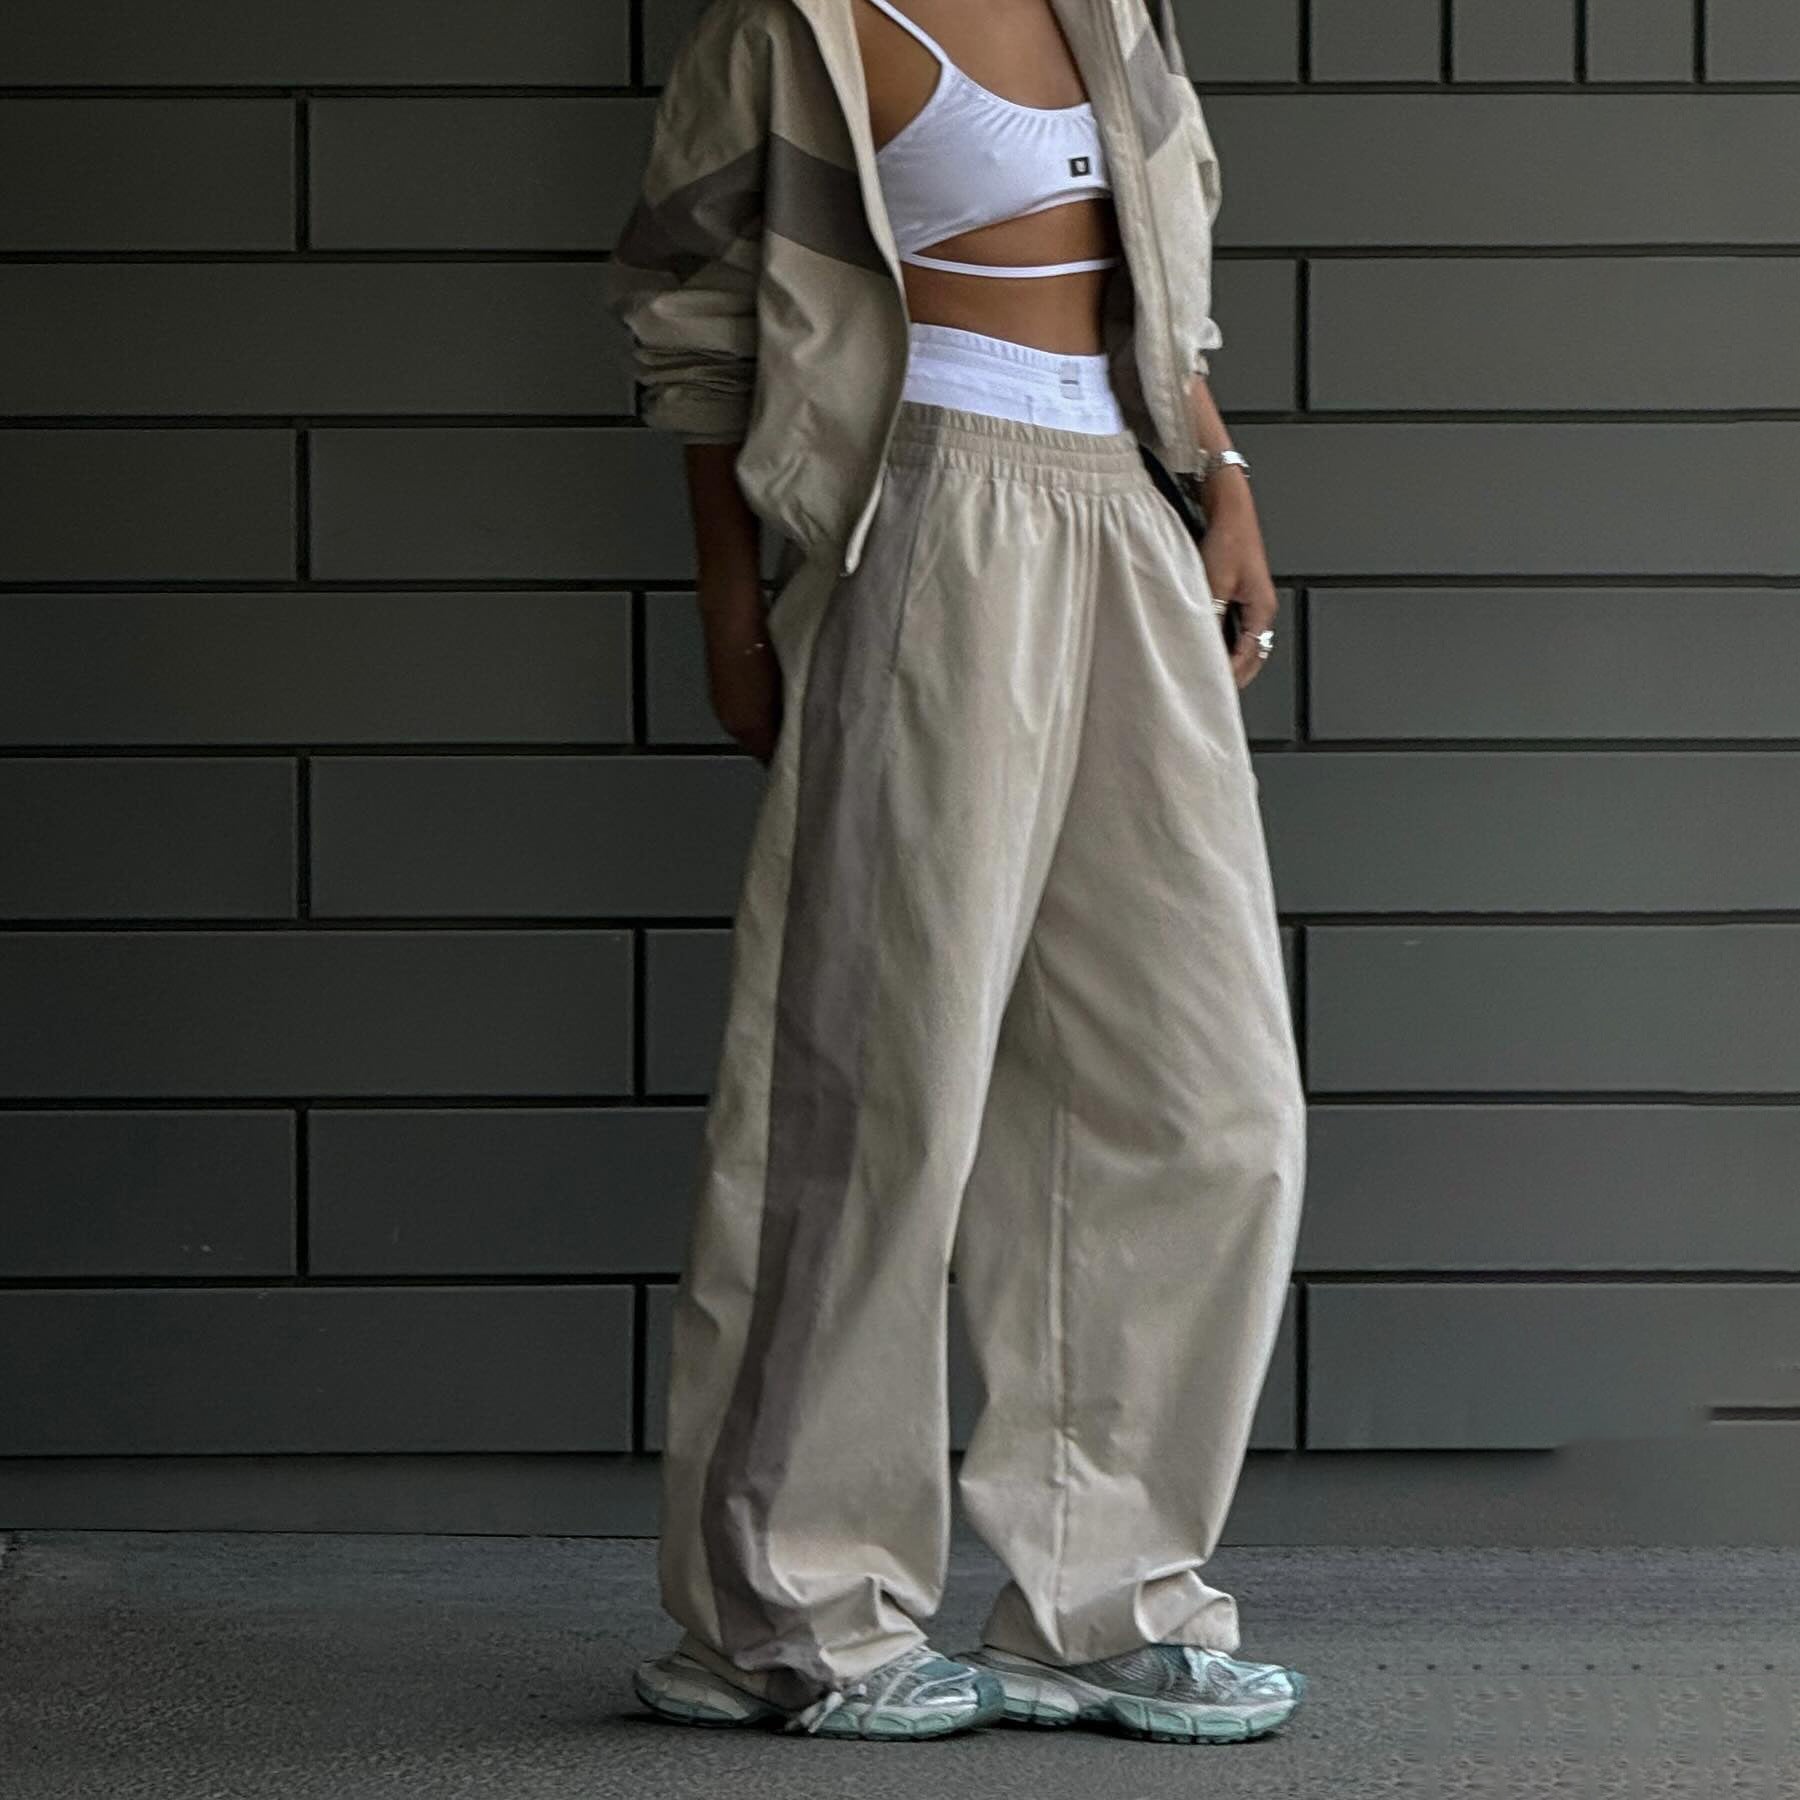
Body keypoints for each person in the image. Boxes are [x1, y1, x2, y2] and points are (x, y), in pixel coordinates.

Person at [603, 0, 1309, 1745]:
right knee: (876, 1086)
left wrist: (1219, 473)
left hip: (1122, 508)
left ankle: (1106, 1601)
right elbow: (694, 317)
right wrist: (731, 613)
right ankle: (787, 1612)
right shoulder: (793, 27)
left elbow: (1159, 277)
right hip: (921, 510)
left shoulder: (1112, 8)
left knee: (1202, 1093)